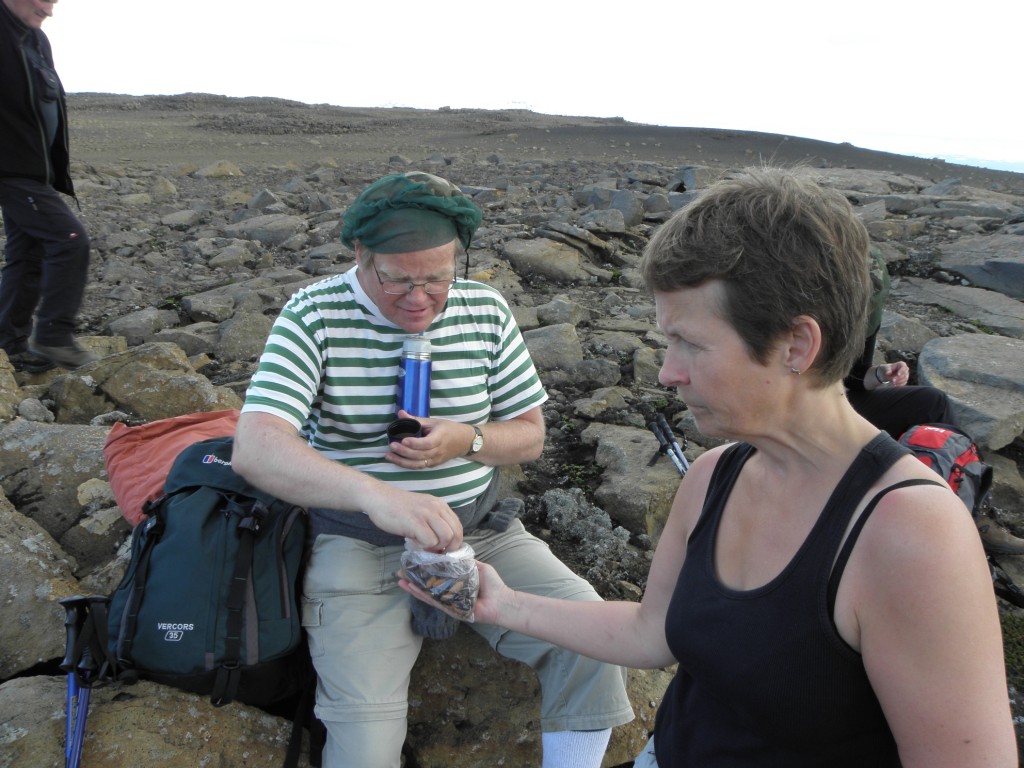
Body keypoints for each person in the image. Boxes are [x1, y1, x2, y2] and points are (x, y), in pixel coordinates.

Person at [402, 168, 1019, 767]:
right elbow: (652, 633)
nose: (668, 372)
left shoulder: (911, 535)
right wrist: (504, 604)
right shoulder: (714, 475)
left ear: (797, 345)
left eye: (691, 344)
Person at [232, 171, 633, 768]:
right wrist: (376, 496)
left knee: (593, 642)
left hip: (483, 534)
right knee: (364, 749)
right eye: (397, 279)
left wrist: (468, 440)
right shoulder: (314, 313)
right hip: (358, 543)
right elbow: (256, 447)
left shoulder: (485, 309)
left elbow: (529, 436)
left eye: (438, 278)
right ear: (361, 255)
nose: (418, 298)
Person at [845, 248, 1024, 554]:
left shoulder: (867, 303)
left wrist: (880, 374)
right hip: (804, 415)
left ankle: (968, 509)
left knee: (932, 403)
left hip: (839, 401)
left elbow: (853, 376)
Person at [0, 0, 97, 372]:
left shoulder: (36, 40)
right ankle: (54, 336)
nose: (50, 10)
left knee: (28, 254)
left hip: (34, 171)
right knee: (69, 240)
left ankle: (9, 344)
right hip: (10, 169)